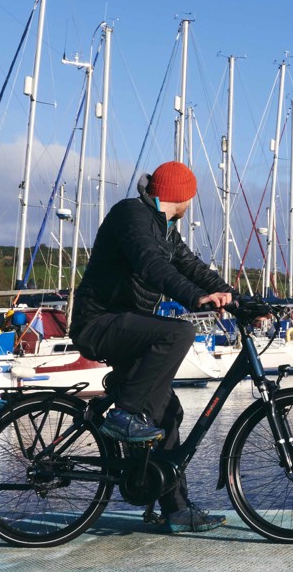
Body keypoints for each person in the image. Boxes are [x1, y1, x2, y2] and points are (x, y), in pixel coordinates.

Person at [70, 160, 232, 534]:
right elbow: (151, 265)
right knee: (178, 334)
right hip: (100, 323)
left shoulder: (164, 229)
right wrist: (196, 298)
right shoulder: (132, 215)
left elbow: (193, 268)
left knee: (168, 413)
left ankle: (176, 510)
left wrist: (237, 300)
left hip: (126, 328)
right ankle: (124, 413)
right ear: (184, 195)